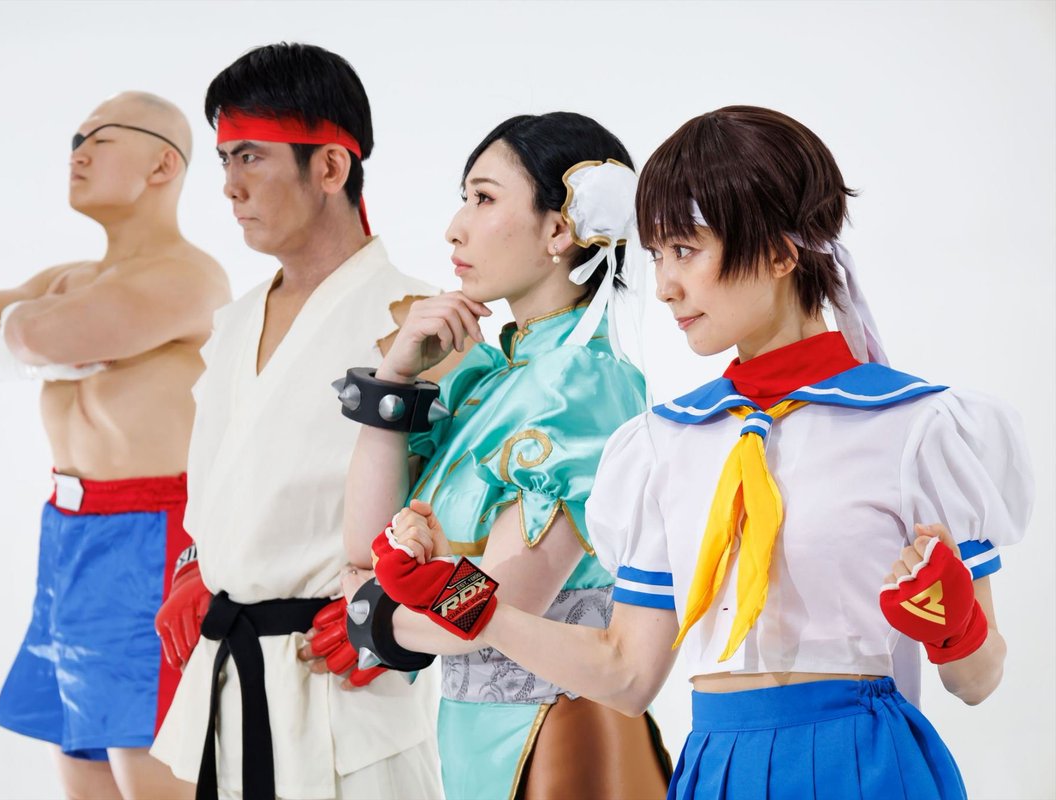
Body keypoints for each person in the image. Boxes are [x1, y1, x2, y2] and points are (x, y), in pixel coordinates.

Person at [372, 106, 1034, 799]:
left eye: (685, 251)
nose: (664, 286)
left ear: (780, 253)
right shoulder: (663, 444)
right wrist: (461, 598)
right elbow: (626, 675)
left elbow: (978, 680)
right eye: (657, 255)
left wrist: (955, 628)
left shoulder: (918, 427)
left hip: (863, 768)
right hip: (717, 769)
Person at [339, 112, 672, 800]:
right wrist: (395, 378)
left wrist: (369, 613)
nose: (454, 228)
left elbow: (488, 608)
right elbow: (365, 550)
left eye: (483, 198)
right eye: (464, 198)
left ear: (559, 230)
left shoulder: (580, 384)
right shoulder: (493, 379)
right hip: (479, 736)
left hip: (555, 733)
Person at [148, 43, 445, 800]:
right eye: (224, 159)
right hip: (230, 672)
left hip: (346, 684)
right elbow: (221, 478)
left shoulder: (421, 321)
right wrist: (199, 565)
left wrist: (393, 618)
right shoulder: (234, 321)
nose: (229, 185)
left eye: (251, 156)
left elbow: (470, 515)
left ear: (331, 167)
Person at [0, 91, 230, 799]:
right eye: (74, 141)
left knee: (145, 762)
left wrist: (25, 338)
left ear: (162, 165)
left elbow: (38, 334)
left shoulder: (190, 276)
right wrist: (39, 343)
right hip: (69, 533)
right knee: (81, 764)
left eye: (100, 139)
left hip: (152, 536)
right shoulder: (65, 281)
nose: (78, 154)